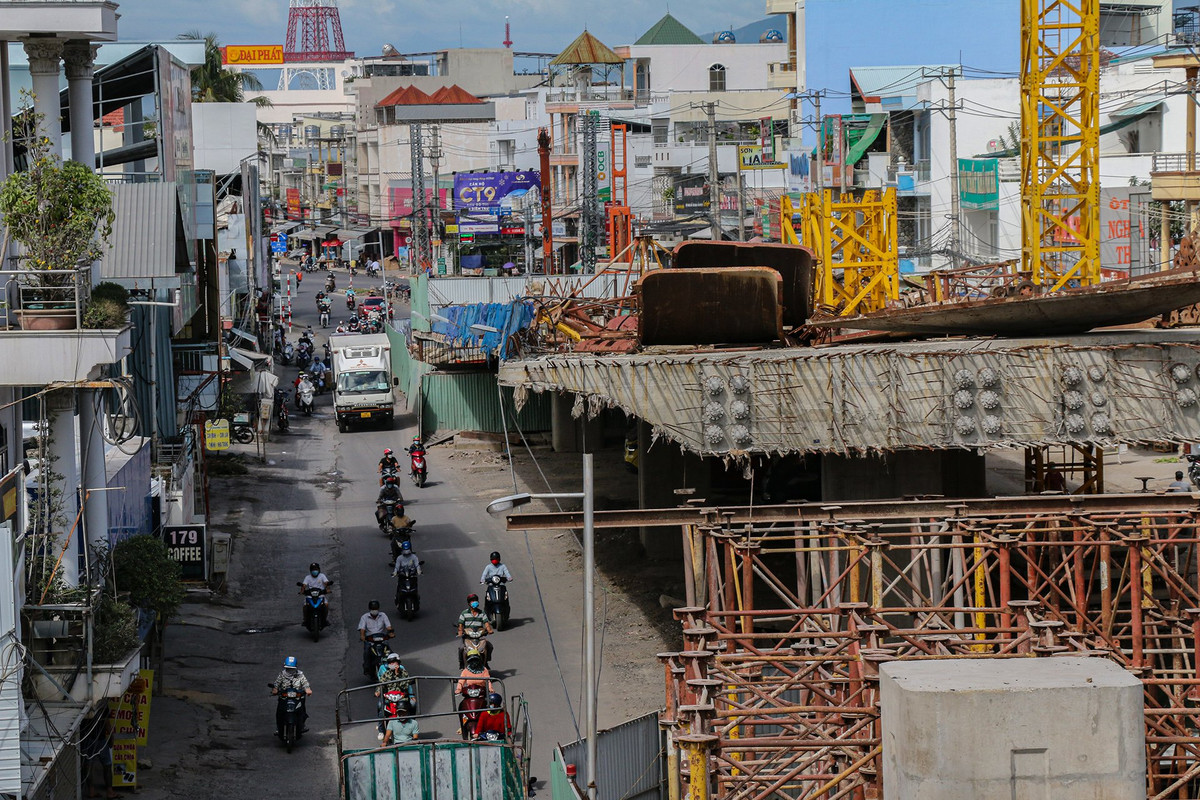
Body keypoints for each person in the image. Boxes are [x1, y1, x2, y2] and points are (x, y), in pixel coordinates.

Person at [271, 656, 312, 737]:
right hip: (284, 698)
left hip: (298, 698)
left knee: (302, 710)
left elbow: (305, 683)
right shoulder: (282, 675)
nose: (290, 671)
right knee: (279, 712)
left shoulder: (300, 675)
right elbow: (277, 683)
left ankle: (302, 725)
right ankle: (278, 727)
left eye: (292, 669)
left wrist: (307, 689)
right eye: (288, 669)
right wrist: (275, 689)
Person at [457, 593, 494, 664]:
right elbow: (460, 624)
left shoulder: (482, 613)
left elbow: (486, 623)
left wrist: (489, 630)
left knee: (489, 646)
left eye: (475, 600)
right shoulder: (464, 613)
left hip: (479, 637)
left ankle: (485, 662)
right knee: (461, 648)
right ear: (469, 603)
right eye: (472, 601)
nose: (474, 602)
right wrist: (460, 632)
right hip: (468, 637)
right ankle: (461, 663)